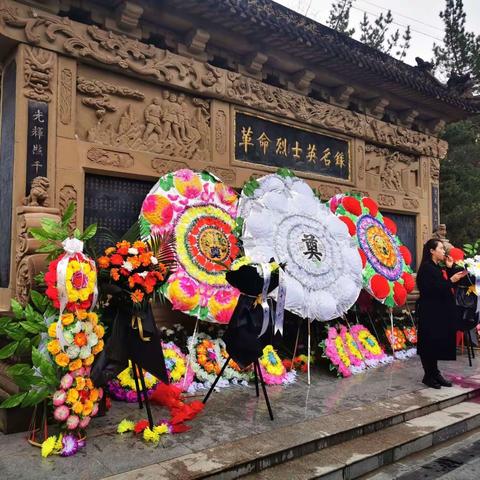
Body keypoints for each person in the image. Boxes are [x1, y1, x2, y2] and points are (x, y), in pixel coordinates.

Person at [416, 238, 467, 388]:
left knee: (435, 342)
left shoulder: (437, 267)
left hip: (439, 312)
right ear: (432, 251)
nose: (444, 251)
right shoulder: (426, 268)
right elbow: (431, 290)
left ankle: (435, 373)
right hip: (430, 311)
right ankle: (429, 375)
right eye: (441, 248)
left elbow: (445, 286)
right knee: (429, 343)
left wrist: (450, 269)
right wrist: (451, 279)